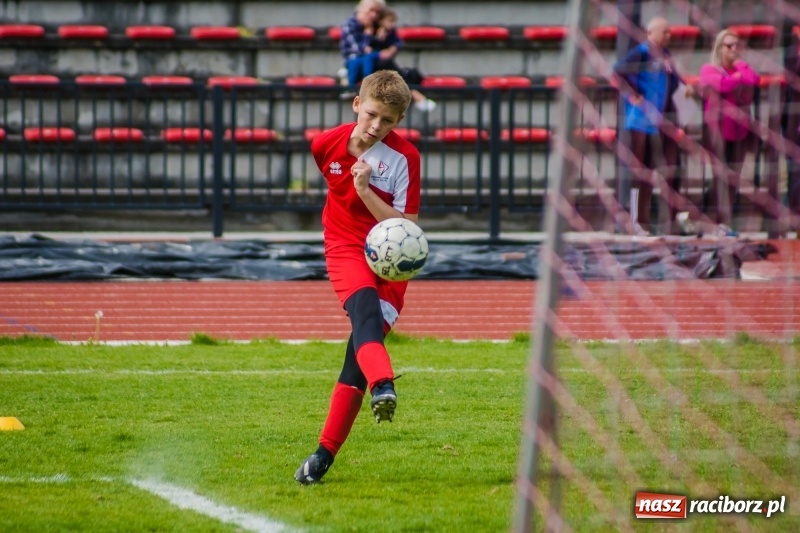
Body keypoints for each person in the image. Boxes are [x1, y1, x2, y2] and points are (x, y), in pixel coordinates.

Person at [294, 70, 420, 484]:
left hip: (392, 260)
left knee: (355, 360)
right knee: (363, 315)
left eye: (387, 120)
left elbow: (407, 227)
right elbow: (337, 195)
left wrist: (366, 190)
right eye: (370, 114)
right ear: (356, 104)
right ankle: (384, 385)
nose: (375, 126)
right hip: (345, 247)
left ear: (398, 121)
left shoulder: (406, 159)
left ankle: (322, 456)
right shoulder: (323, 145)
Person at [613, 17, 686, 236]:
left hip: (658, 119)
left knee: (651, 170)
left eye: (670, 32)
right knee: (640, 169)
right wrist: (632, 93)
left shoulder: (666, 56)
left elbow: (674, 80)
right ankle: (636, 220)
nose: (668, 36)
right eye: (664, 32)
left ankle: (644, 219)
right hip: (640, 118)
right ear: (650, 32)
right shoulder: (642, 52)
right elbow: (618, 70)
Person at [699, 29, 759, 237]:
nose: (734, 49)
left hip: (739, 130)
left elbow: (753, 79)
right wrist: (737, 77)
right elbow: (721, 85)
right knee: (720, 176)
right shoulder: (709, 69)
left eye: (737, 45)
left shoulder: (742, 68)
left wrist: (739, 70)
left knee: (733, 177)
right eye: (729, 46)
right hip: (717, 130)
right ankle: (713, 222)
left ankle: (725, 223)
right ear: (719, 48)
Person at [370, 8, 437, 112]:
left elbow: (398, 42)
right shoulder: (372, 32)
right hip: (376, 67)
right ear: (381, 21)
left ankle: (414, 94)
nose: (392, 24)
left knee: (411, 73)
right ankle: (416, 95)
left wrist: (392, 48)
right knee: (392, 68)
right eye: (389, 21)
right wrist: (378, 41)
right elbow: (371, 50)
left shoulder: (391, 33)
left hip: (388, 65)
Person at [340, 0, 386, 88]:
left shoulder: (378, 25)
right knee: (358, 62)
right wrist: (368, 34)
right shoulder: (350, 24)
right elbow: (358, 49)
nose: (374, 15)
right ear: (362, 8)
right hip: (355, 59)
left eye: (377, 12)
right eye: (371, 10)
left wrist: (382, 37)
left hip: (373, 61)